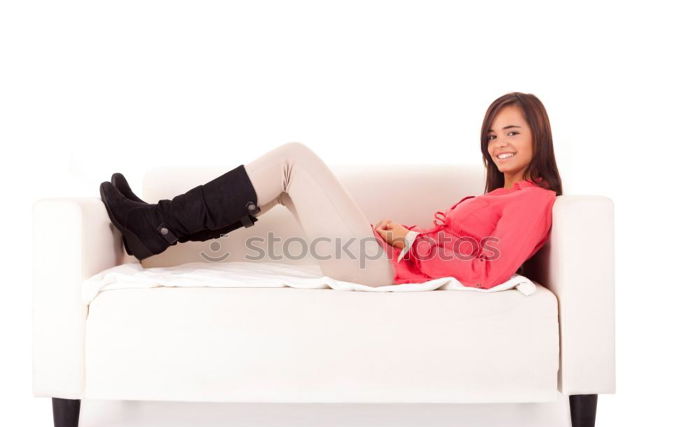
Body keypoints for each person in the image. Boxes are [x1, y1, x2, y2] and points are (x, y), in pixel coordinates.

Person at [99, 91, 563, 289]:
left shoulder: (534, 201)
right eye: (492, 135)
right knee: (284, 179)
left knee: (291, 160)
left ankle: (156, 224)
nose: (498, 144)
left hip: (385, 269)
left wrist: (412, 241)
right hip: (386, 256)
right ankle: (158, 225)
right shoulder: (500, 194)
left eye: (512, 133)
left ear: (538, 135)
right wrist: (403, 234)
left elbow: (489, 271)